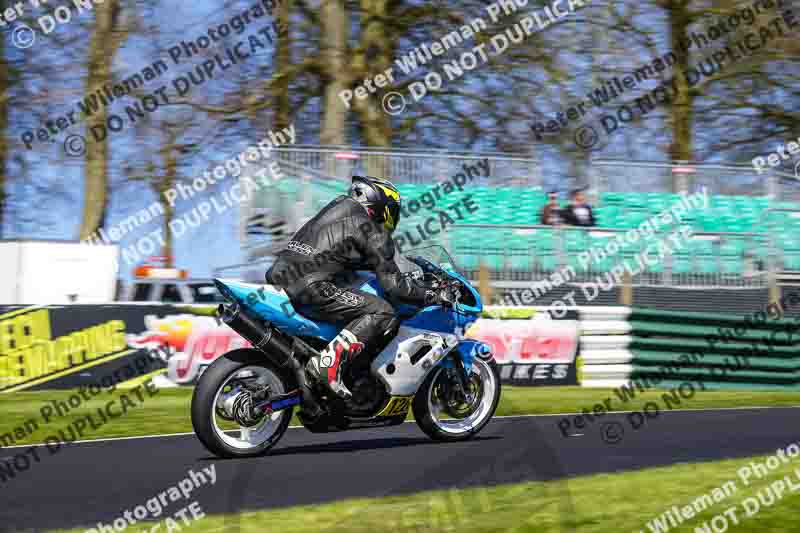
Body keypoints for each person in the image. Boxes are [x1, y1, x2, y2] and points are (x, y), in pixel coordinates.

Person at [265, 175, 456, 399]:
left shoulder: (335, 208)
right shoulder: (372, 229)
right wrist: (432, 294)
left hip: (279, 275)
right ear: (382, 206)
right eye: (392, 209)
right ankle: (329, 365)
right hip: (311, 286)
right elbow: (394, 286)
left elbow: (339, 255)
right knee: (382, 311)